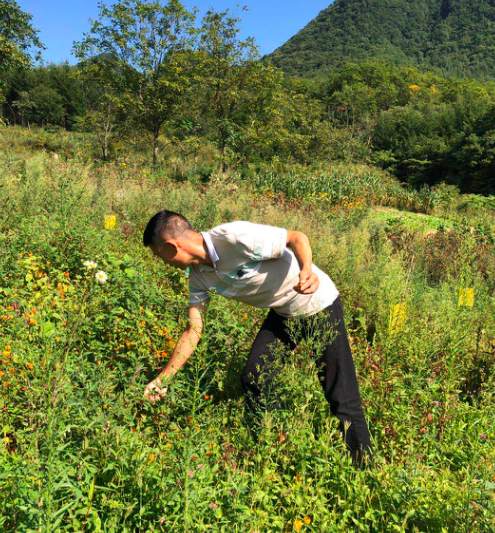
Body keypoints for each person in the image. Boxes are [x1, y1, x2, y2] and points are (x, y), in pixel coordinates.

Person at [142, 210, 372, 467]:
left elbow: (296, 238)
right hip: (285, 313)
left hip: (319, 304)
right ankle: (265, 448)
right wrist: (162, 380)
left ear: (171, 247)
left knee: (340, 394)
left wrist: (307, 269)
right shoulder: (199, 278)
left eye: (157, 254)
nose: (160, 261)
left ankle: (363, 468)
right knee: (255, 377)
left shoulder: (233, 237)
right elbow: (193, 330)